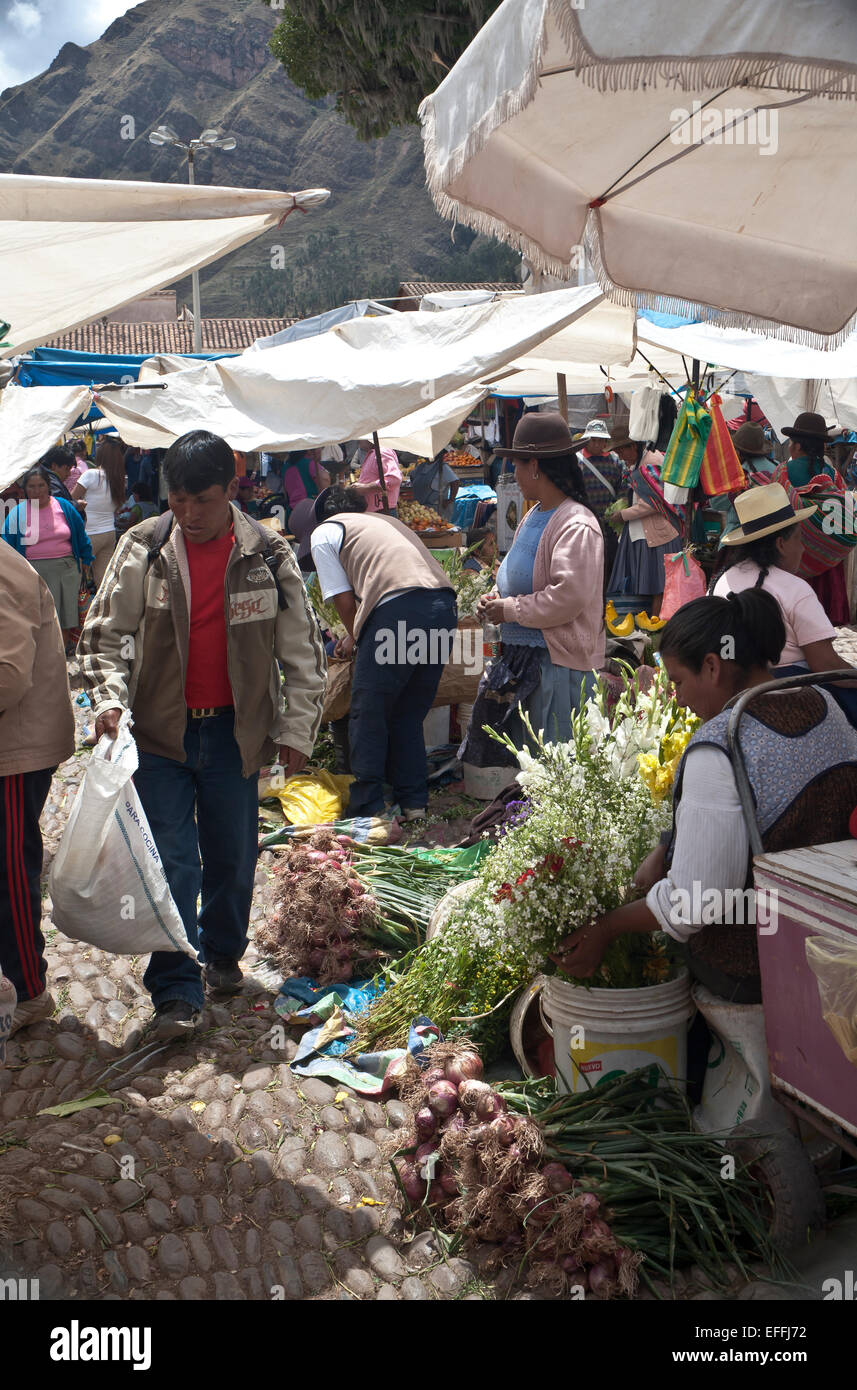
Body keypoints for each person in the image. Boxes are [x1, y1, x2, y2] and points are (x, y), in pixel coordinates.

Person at [77, 430, 326, 1041]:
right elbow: (105, 636)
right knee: (170, 864)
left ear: (232, 490)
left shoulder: (268, 554)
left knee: (234, 858)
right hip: (161, 736)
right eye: (179, 500)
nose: (189, 514)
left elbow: (302, 650)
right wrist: (109, 701)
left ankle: (222, 951)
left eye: (203, 501)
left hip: (236, 738)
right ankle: (176, 992)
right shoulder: (145, 546)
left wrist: (296, 728)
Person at [551, 588, 857, 1002]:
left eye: (677, 681)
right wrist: (668, 846)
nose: (676, 697)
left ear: (712, 667)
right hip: (835, 939)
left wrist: (606, 927)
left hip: (754, 967)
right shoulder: (824, 702)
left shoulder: (722, 747)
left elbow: (696, 902)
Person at [290, 485, 457, 820]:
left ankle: (368, 808)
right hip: (443, 609)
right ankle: (414, 803)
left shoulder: (325, 532)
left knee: (369, 711)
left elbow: (345, 601)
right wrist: (359, 638)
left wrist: (355, 638)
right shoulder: (381, 522)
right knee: (407, 714)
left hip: (398, 613)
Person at [463, 411, 605, 758]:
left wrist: (509, 609)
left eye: (517, 464)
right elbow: (520, 577)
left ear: (537, 467)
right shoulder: (534, 514)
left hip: (554, 669)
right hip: (520, 661)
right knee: (525, 769)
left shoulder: (576, 524)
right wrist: (496, 598)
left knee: (553, 769)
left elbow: (567, 597)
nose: (513, 473)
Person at [0, 539, 75, 1036]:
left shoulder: (4, 571)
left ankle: (30, 990)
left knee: (9, 871)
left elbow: (7, 674)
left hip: (13, 750)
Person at [710, 482, 857, 720]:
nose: (803, 548)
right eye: (799, 539)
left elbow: (724, 647)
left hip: (733, 691)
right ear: (780, 543)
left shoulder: (722, 580)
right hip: (791, 694)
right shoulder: (796, 590)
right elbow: (827, 666)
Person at [2, 466, 94, 646]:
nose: (37, 491)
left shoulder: (64, 506)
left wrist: (87, 560)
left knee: (65, 619)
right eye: (32, 487)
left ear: (48, 486)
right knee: (38, 620)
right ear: (25, 490)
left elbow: (81, 536)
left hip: (65, 572)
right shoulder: (17, 512)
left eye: (41, 485)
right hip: (32, 574)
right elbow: (6, 545)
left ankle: (61, 662)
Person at [606, 428, 680, 612]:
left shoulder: (651, 463)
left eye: (621, 451)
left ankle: (655, 623)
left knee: (659, 585)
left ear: (633, 446)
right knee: (649, 583)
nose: (621, 457)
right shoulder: (640, 462)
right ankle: (646, 624)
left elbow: (653, 503)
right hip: (641, 533)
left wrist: (622, 515)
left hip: (658, 533)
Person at [575, 418, 625, 585]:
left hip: (610, 525)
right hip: (583, 522)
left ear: (606, 441)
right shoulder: (576, 461)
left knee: (609, 563)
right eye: (593, 440)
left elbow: (623, 487)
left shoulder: (616, 461)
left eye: (600, 440)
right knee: (585, 565)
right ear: (586, 440)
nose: (597, 444)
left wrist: (617, 510)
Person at [72, 435, 126, 586]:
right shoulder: (119, 479)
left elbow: (69, 501)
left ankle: (81, 610)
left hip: (89, 534)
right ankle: (106, 609)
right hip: (109, 533)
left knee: (78, 581)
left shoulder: (91, 475)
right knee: (104, 583)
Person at [351, 439, 403, 514]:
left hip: (382, 510)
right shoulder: (375, 453)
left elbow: (394, 479)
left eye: (361, 437)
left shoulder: (382, 453)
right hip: (376, 510)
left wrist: (364, 488)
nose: (358, 440)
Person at [410, 452, 460, 522]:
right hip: (419, 509)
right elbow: (412, 476)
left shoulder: (442, 467)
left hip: (435, 509)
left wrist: (451, 499)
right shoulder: (421, 466)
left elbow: (455, 482)